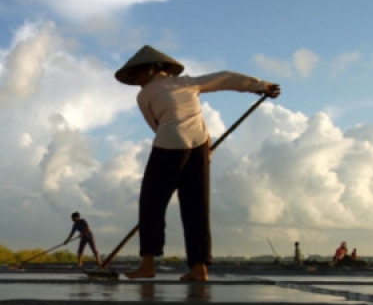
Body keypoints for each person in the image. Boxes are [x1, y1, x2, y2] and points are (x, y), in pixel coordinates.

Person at [115, 45, 281, 281]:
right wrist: (260, 86)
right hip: (199, 146)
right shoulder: (188, 83)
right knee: (196, 207)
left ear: (152, 69)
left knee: (151, 203)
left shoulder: (144, 96)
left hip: (170, 144)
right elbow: (225, 78)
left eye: (138, 74)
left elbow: (157, 126)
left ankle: (148, 264)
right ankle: (199, 267)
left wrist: (179, 145)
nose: (137, 80)